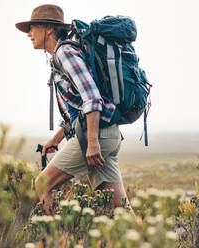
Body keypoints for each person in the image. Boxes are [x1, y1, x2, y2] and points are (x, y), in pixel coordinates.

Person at [15, 4, 132, 215]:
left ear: (50, 28)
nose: (29, 34)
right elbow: (78, 108)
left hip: (96, 136)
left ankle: (58, 238)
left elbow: (92, 97)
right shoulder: (63, 54)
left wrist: (93, 142)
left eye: (33, 27)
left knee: (42, 184)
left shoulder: (64, 52)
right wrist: (57, 139)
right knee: (119, 209)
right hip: (109, 133)